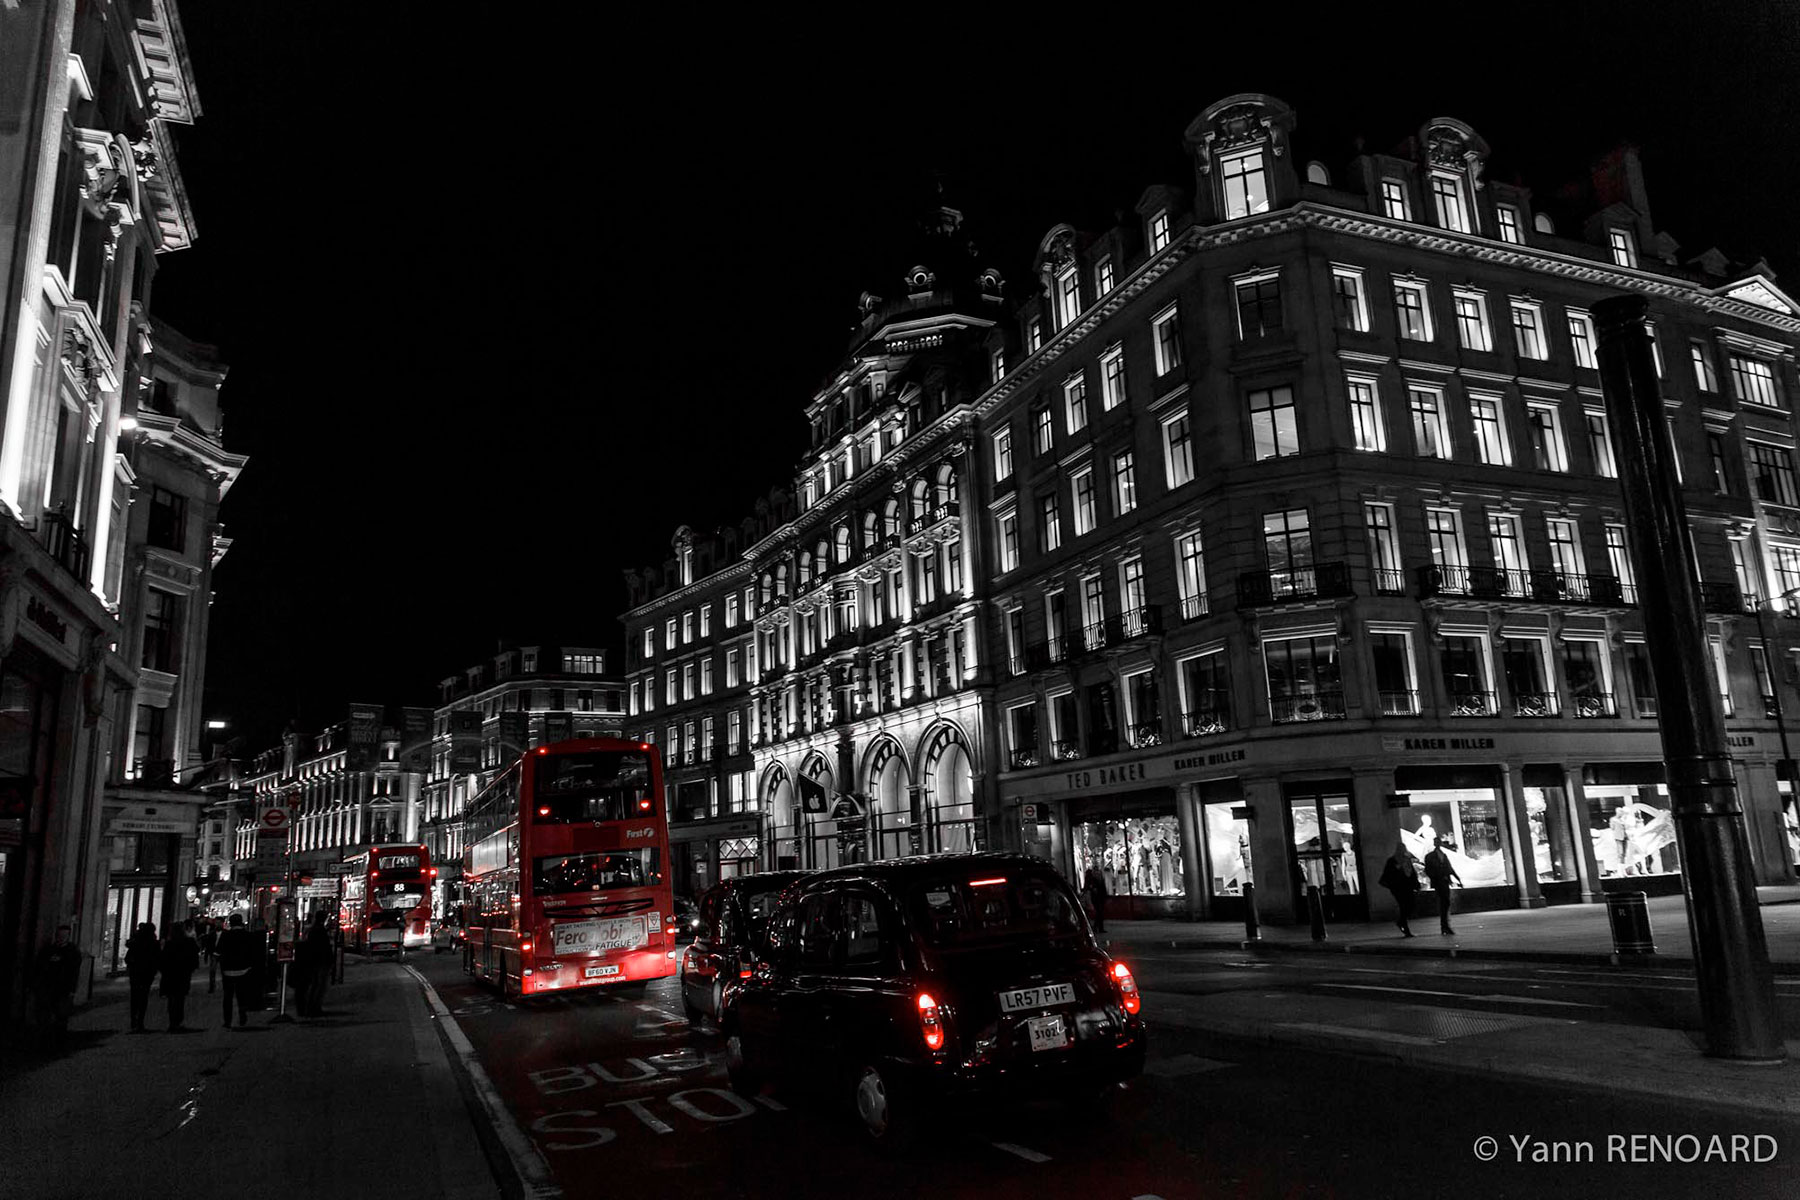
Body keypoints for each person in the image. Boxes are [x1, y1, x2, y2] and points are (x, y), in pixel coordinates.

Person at [33, 924, 82, 1046]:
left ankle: (58, 1040)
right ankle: (46, 1040)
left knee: (61, 1015)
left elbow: (74, 972)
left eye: (64, 935)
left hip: (63, 988)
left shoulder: (72, 952)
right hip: (49, 986)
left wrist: (72, 988)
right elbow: (40, 967)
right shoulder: (48, 950)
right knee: (46, 1014)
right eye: (60, 935)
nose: (61, 938)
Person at [216, 913, 257, 1028]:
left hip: (228, 970)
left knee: (228, 996)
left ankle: (227, 1020)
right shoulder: (248, 935)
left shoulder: (225, 936)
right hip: (244, 970)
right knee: (242, 995)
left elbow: (218, 952)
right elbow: (253, 953)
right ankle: (242, 1015)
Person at [160, 920, 200, 1032]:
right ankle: (177, 1021)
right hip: (183, 975)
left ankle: (173, 1022)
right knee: (179, 998)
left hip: (170, 975)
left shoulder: (169, 944)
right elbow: (194, 957)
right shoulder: (189, 942)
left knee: (172, 999)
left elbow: (162, 961)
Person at [124, 922, 161, 1033]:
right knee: (143, 997)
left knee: (134, 996)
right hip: (147, 973)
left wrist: (132, 965)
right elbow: (157, 958)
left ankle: (134, 1021)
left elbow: (128, 958)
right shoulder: (153, 943)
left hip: (135, 972)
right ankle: (140, 1021)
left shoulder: (136, 942)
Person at [1378, 841, 1421, 937]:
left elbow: (1412, 873)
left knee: (1409, 905)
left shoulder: (1407, 859)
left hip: (1407, 886)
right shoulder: (1392, 861)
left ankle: (1402, 922)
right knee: (1403, 906)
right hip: (1398, 887)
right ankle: (1405, 927)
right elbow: (1388, 874)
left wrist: (1416, 883)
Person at [1423, 837, 1463, 936]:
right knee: (1444, 902)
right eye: (1436, 842)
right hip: (1439, 882)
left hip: (1444, 881)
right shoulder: (1430, 856)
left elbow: (1449, 868)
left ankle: (1445, 925)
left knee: (1445, 903)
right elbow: (1428, 870)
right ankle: (1444, 926)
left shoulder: (1443, 855)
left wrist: (1457, 878)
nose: (1438, 843)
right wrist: (1435, 877)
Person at [298, 914, 334, 1017]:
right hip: (320, 961)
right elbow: (323, 948)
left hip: (316, 961)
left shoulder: (313, 930)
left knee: (316, 985)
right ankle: (314, 1007)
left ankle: (313, 1007)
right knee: (319, 985)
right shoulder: (319, 931)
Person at [1082, 864, 1109, 935]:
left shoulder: (1099, 879)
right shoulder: (1093, 880)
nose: (1097, 872)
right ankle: (1097, 927)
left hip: (1100, 897)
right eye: (1096, 871)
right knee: (1099, 912)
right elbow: (1090, 888)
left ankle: (1098, 927)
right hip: (1096, 898)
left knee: (1100, 913)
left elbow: (1103, 888)